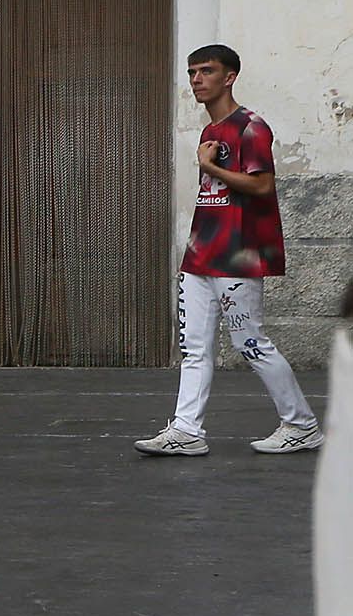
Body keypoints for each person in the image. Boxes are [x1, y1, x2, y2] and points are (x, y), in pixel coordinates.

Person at [136, 45, 321, 456]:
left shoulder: (250, 127)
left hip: (237, 255)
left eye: (207, 71)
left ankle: (302, 424)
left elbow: (262, 185)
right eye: (192, 73)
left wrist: (212, 169)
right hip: (201, 255)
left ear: (230, 76)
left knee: (250, 343)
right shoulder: (209, 132)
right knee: (195, 349)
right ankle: (186, 431)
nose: (197, 79)